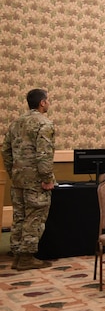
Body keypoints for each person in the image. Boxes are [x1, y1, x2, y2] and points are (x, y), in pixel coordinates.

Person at [1, 88, 56, 270]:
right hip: (36, 181)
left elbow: (5, 151)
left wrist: (13, 172)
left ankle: (17, 254)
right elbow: (44, 155)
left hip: (18, 180)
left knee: (19, 216)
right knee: (35, 216)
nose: (48, 103)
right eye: (47, 100)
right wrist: (47, 178)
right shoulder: (44, 124)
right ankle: (26, 257)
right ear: (42, 103)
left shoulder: (16, 123)